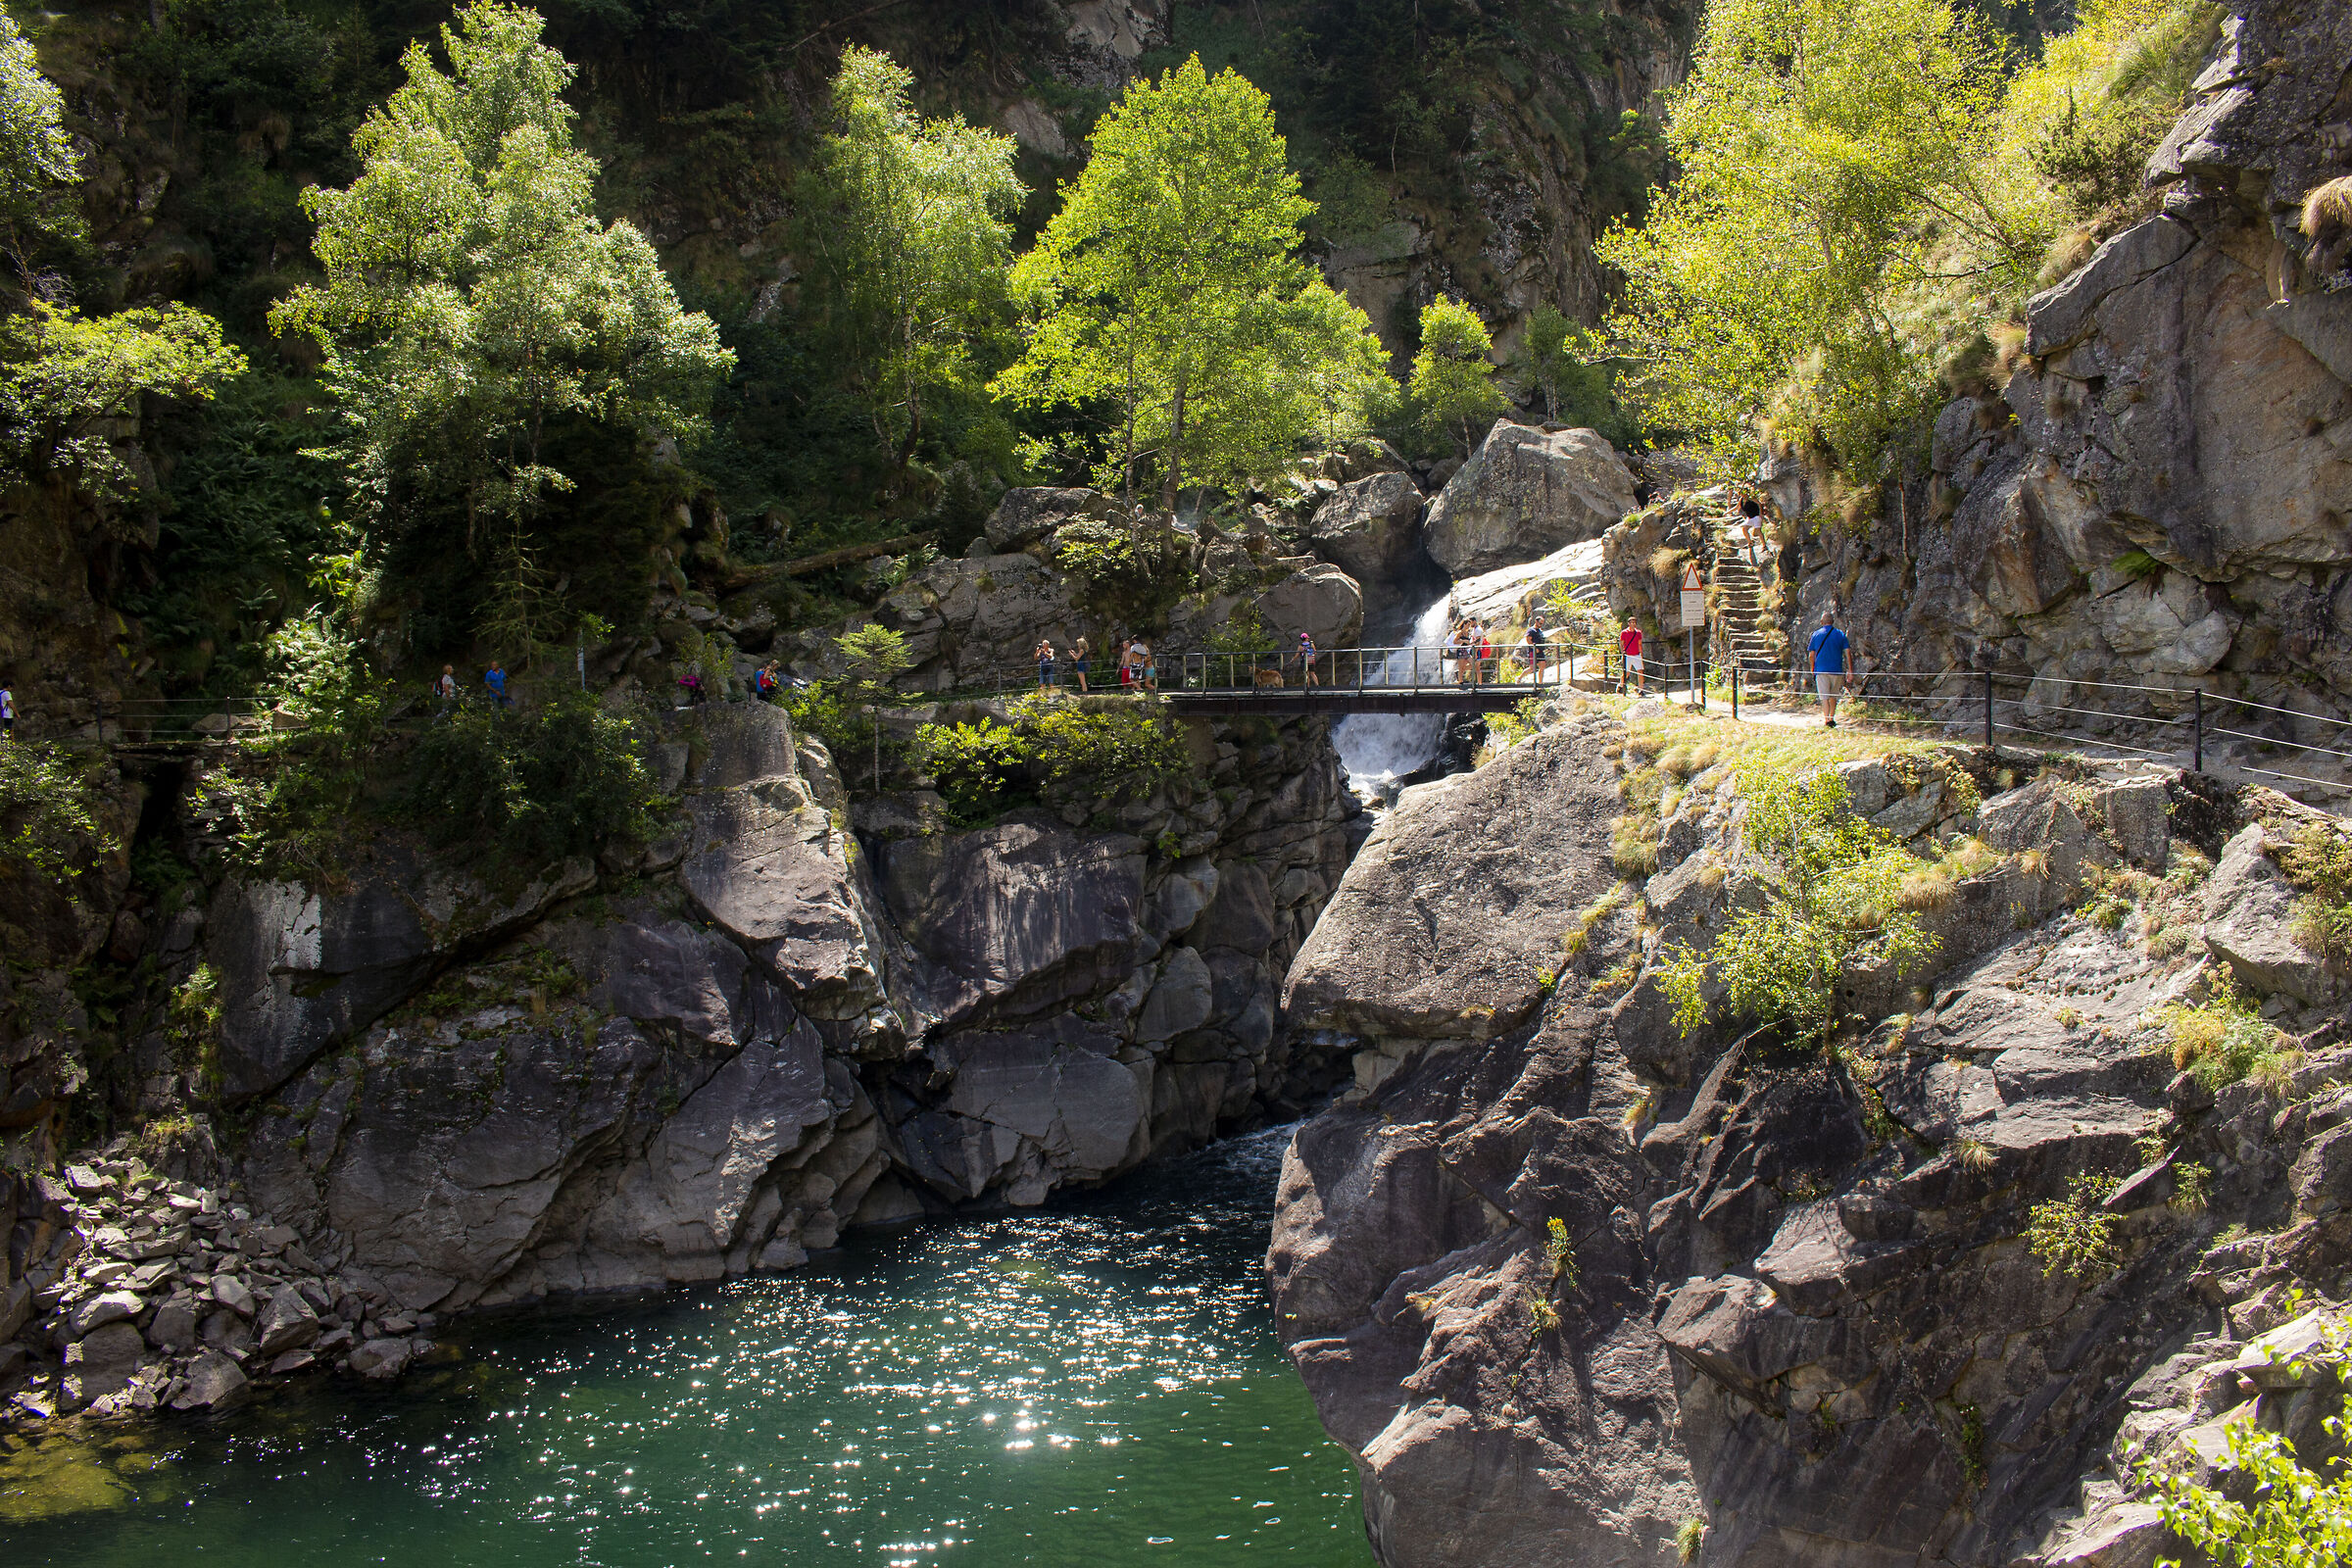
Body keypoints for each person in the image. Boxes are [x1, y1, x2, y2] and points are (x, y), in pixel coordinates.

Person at [1809, 608, 1850, 728]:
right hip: (1836, 670)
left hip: (1821, 670)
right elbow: (1848, 653)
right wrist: (1850, 669)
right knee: (1833, 696)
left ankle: (1827, 719)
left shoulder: (1816, 634)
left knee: (1824, 697)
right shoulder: (1840, 634)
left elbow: (1812, 654)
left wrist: (1813, 668)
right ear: (1833, 622)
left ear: (1821, 622)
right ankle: (1832, 718)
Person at [1619, 620, 1643, 694]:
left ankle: (1641, 689)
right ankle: (1620, 686)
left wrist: (1641, 654)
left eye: (1634, 623)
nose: (1633, 624)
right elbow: (1622, 643)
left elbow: (1639, 644)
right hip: (1628, 655)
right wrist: (1623, 652)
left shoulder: (1638, 632)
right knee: (1626, 673)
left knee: (1640, 672)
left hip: (1636, 654)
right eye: (1631, 623)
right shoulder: (1624, 632)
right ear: (1628, 623)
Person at [1525, 620, 1547, 685]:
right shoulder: (1531, 630)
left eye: (1542, 624)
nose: (1541, 625)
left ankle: (1540, 683)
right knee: (1532, 668)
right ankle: (1519, 678)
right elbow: (1528, 639)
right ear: (1536, 621)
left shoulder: (1540, 631)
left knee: (1542, 666)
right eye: (1540, 623)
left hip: (1540, 651)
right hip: (1533, 651)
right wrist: (1534, 648)